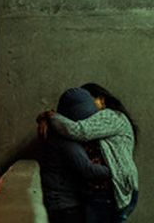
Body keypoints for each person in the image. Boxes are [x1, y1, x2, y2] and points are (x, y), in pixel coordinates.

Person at [48, 83, 139, 223]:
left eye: (90, 100)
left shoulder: (111, 116)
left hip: (110, 191)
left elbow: (78, 130)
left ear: (101, 100)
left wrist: (51, 116)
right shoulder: (96, 122)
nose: (87, 106)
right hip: (105, 191)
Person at [38, 87, 112, 223]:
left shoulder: (56, 131)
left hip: (60, 203)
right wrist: (116, 170)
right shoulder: (64, 139)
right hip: (65, 206)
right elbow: (88, 169)